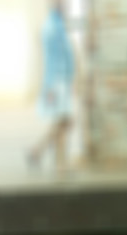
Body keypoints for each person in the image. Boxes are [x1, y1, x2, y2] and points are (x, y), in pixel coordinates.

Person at [27, 3, 75, 172]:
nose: (67, 6)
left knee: (64, 121)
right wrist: (57, 85)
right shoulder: (53, 27)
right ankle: (60, 165)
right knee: (64, 121)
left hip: (59, 81)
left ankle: (37, 152)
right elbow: (57, 60)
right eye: (64, 3)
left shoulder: (57, 25)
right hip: (57, 82)